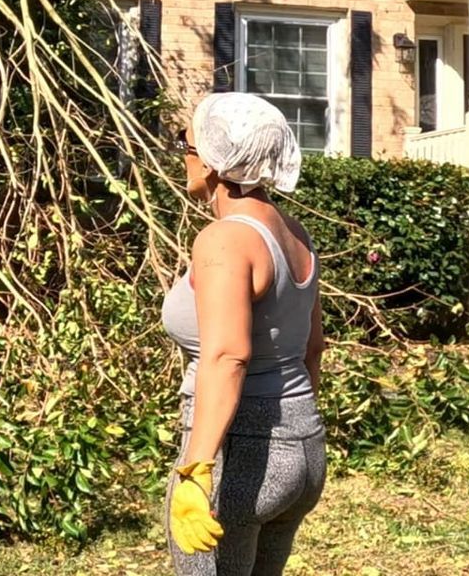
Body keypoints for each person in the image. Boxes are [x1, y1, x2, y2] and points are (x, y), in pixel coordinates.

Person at [160, 92, 326, 576]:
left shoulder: (224, 239)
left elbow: (228, 355)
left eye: (186, 145)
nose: (183, 156)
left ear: (214, 161)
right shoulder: (295, 234)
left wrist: (197, 469)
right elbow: (313, 348)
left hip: (240, 456)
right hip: (304, 447)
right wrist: (293, 432)